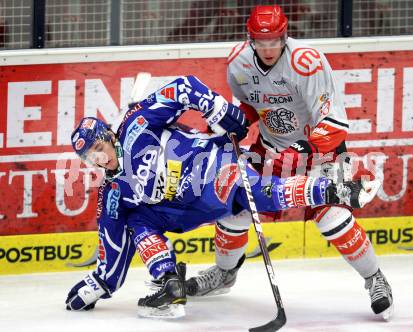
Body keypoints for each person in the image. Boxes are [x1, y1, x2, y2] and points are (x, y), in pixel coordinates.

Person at [65, 75, 379, 319]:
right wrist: (100, 284)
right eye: (91, 159)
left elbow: (183, 87)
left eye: (99, 149)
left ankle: (336, 190)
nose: (100, 160)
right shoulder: (114, 193)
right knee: (134, 220)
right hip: (187, 210)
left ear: (108, 137)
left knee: (261, 194)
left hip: (214, 168)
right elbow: (113, 245)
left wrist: (219, 110)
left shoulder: (138, 123)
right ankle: (169, 280)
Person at [185, 5, 393, 320]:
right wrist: (231, 122)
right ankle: (225, 273)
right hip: (269, 150)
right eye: (261, 41)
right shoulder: (239, 63)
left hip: (319, 151)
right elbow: (250, 106)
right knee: (233, 204)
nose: (268, 48)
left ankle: (374, 278)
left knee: (330, 217)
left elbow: (335, 121)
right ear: (250, 38)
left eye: (274, 40)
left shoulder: (306, 63)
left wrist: (301, 148)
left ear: (284, 35)